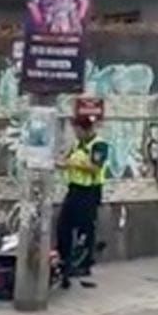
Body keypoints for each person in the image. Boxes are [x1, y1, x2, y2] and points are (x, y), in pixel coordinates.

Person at [55, 115, 108, 289]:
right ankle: (65, 259)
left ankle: (84, 264)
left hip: (89, 192)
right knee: (63, 226)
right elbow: (70, 159)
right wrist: (62, 164)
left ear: (86, 129)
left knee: (85, 228)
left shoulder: (99, 145)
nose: (75, 134)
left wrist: (72, 164)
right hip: (74, 189)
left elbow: (95, 167)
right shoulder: (79, 144)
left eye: (77, 131)